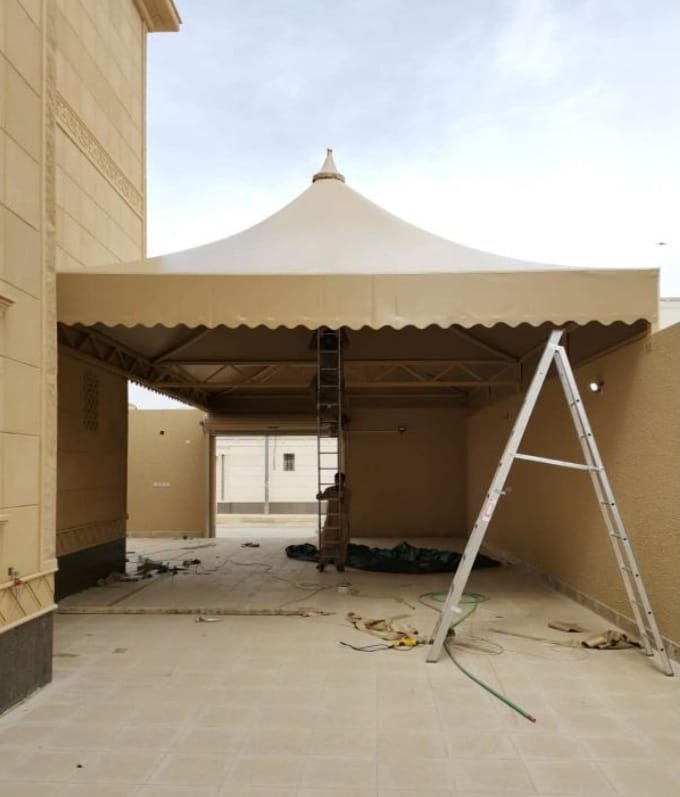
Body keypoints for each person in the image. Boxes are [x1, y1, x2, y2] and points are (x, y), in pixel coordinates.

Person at [316, 471, 350, 571]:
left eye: (340, 480)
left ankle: (340, 564)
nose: (338, 482)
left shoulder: (347, 492)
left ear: (344, 481)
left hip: (342, 518)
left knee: (342, 541)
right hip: (331, 518)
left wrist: (341, 497)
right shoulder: (330, 490)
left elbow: (345, 502)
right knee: (327, 540)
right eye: (336, 480)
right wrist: (319, 496)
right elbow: (321, 497)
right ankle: (323, 563)